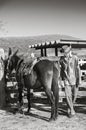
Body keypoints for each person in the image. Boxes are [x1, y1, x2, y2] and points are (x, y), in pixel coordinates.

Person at [60, 45, 81, 117]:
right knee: (68, 96)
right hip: (66, 80)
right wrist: (61, 81)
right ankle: (72, 110)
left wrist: (79, 80)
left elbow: (78, 69)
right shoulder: (62, 60)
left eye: (65, 52)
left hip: (75, 79)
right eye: (63, 52)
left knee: (74, 95)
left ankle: (70, 107)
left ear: (69, 52)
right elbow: (61, 71)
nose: (64, 54)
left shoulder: (75, 58)